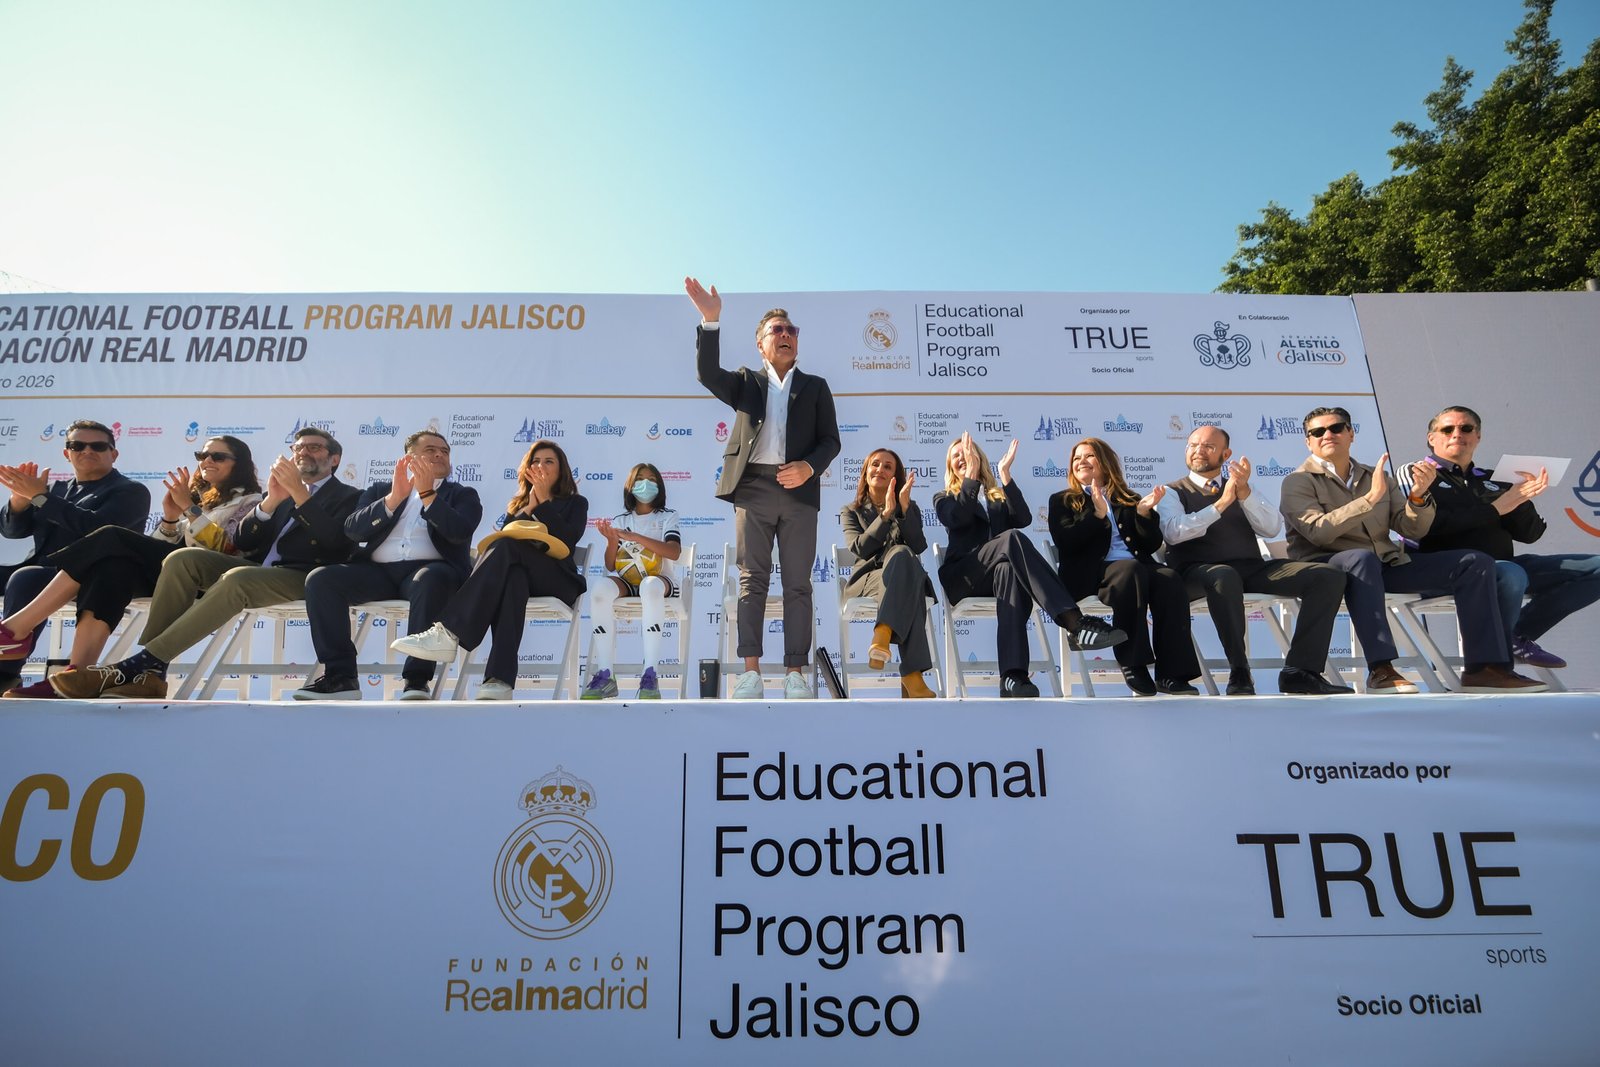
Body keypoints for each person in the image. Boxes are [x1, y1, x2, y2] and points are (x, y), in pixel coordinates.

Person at [51, 426, 362, 699]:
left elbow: (336, 544)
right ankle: (151, 675)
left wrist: (300, 495)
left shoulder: (350, 496)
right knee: (182, 559)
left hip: (304, 576)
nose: (304, 452)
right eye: (298, 447)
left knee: (238, 579)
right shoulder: (277, 494)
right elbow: (243, 542)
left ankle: (144, 662)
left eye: (315, 447)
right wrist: (270, 503)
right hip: (260, 569)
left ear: (334, 459)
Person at [1279, 406, 1545, 693]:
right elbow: (1319, 532)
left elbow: (1411, 529)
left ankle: (1484, 668)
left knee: (1475, 561)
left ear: (1351, 433)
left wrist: (1418, 498)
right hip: (1326, 567)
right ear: (1308, 441)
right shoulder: (1298, 481)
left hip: (1383, 565)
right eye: (1317, 432)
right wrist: (1369, 500)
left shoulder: (1375, 475)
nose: (1327, 435)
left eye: (1336, 428)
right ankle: (1381, 669)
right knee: (1361, 558)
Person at [0, 437, 262, 699]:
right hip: (177, 573)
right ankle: (75, 676)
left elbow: (230, 548)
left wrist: (189, 509)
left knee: (112, 536)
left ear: (239, 464)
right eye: (202, 455)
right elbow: (164, 549)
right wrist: (171, 519)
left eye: (218, 456)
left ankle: (14, 630)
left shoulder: (252, 500)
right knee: (112, 567)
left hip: (214, 579)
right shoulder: (203, 500)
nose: (206, 461)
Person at [686, 277, 840, 700]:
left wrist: (809, 467)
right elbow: (706, 373)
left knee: (798, 584)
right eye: (777, 330)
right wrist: (710, 321)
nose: (786, 335)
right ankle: (750, 672)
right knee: (753, 580)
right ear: (761, 344)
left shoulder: (816, 386)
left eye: (791, 330)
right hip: (752, 487)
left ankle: (794, 672)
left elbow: (831, 440)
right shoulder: (746, 382)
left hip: (799, 493)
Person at [1399, 404, 1600, 671]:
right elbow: (1422, 528)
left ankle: (1515, 635)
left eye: (1466, 428)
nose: (1457, 434)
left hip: (1503, 565)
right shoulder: (1416, 473)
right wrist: (1495, 509)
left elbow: (1530, 535)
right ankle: (1492, 664)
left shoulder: (1495, 479)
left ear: (1478, 436)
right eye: (1447, 429)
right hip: (1442, 569)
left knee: (1595, 567)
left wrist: (1521, 498)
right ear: (1431, 438)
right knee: (1508, 573)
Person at [1156, 425, 1353, 696]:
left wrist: (1244, 493)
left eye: (1208, 447)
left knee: (1327, 576)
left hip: (1249, 568)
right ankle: (1239, 670)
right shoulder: (1171, 492)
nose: (1198, 451)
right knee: (1223, 575)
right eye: (1193, 445)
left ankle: (1300, 671)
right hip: (1195, 572)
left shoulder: (1240, 488)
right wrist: (1220, 505)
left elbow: (1271, 527)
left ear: (1226, 455)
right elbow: (1174, 533)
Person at [390, 439, 587, 700]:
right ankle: (499, 680)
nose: (541, 466)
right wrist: (528, 506)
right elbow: (509, 536)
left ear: (561, 469)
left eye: (549, 461)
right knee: (512, 578)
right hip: (524, 578)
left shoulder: (575, 502)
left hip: (559, 580)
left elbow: (567, 540)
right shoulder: (517, 506)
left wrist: (541, 505)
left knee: (505, 547)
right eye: (535, 461)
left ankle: (448, 632)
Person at [293, 429, 482, 701]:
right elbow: (353, 531)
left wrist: (428, 493)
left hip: (430, 572)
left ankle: (416, 680)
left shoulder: (463, 495)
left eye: (445, 451)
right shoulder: (380, 490)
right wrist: (394, 499)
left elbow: (458, 531)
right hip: (378, 573)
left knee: (429, 579)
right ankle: (341, 677)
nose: (440, 454)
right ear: (408, 458)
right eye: (430, 450)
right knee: (321, 579)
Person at [936, 432, 1124, 698]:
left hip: (997, 577)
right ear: (950, 466)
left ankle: (1013, 677)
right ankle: (1074, 622)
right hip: (963, 579)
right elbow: (957, 518)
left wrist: (1005, 476)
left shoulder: (996, 497)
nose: (963, 458)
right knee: (1011, 540)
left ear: (979, 457)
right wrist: (971, 478)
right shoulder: (945, 498)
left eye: (967, 454)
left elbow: (1022, 518)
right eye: (957, 456)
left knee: (1009, 572)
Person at [0, 419, 150, 694]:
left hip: (92, 578)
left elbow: (99, 530)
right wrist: (19, 503)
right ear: (66, 453)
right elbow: (14, 531)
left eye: (98, 446)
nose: (86, 451)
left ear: (113, 453)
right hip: (43, 569)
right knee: (22, 574)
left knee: (27, 578)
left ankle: (5, 671)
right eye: (77, 445)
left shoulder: (130, 491)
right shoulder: (56, 490)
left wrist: (40, 498)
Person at [1050, 437, 1200, 697]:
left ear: (1105, 463)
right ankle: (1133, 661)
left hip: (1135, 568)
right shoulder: (1063, 500)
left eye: (1089, 456)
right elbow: (1066, 542)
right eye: (1076, 458)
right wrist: (1095, 514)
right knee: (1130, 572)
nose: (1081, 462)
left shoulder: (1128, 498)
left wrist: (1143, 513)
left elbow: (1151, 543)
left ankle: (1172, 673)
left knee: (1168, 578)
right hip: (1091, 574)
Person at [579, 462, 681, 701]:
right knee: (600, 589)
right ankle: (605, 674)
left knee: (650, 586)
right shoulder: (621, 519)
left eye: (652, 479)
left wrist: (635, 537)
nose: (646, 484)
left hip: (661, 582)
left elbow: (674, 552)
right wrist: (612, 540)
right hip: (628, 582)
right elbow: (611, 565)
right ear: (630, 487)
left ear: (660, 485)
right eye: (640, 479)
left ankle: (650, 673)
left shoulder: (668, 516)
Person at [840, 447, 937, 699]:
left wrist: (902, 509)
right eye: (875, 464)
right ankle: (913, 676)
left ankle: (883, 631)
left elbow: (919, 546)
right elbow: (860, 548)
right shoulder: (851, 511)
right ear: (865, 472)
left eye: (887, 466)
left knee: (904, 555)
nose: (880, 470)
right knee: (908, 575)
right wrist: (885, 515)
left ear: (897, 476)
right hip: (868, 580)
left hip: (899, 580)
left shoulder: (909, 507)